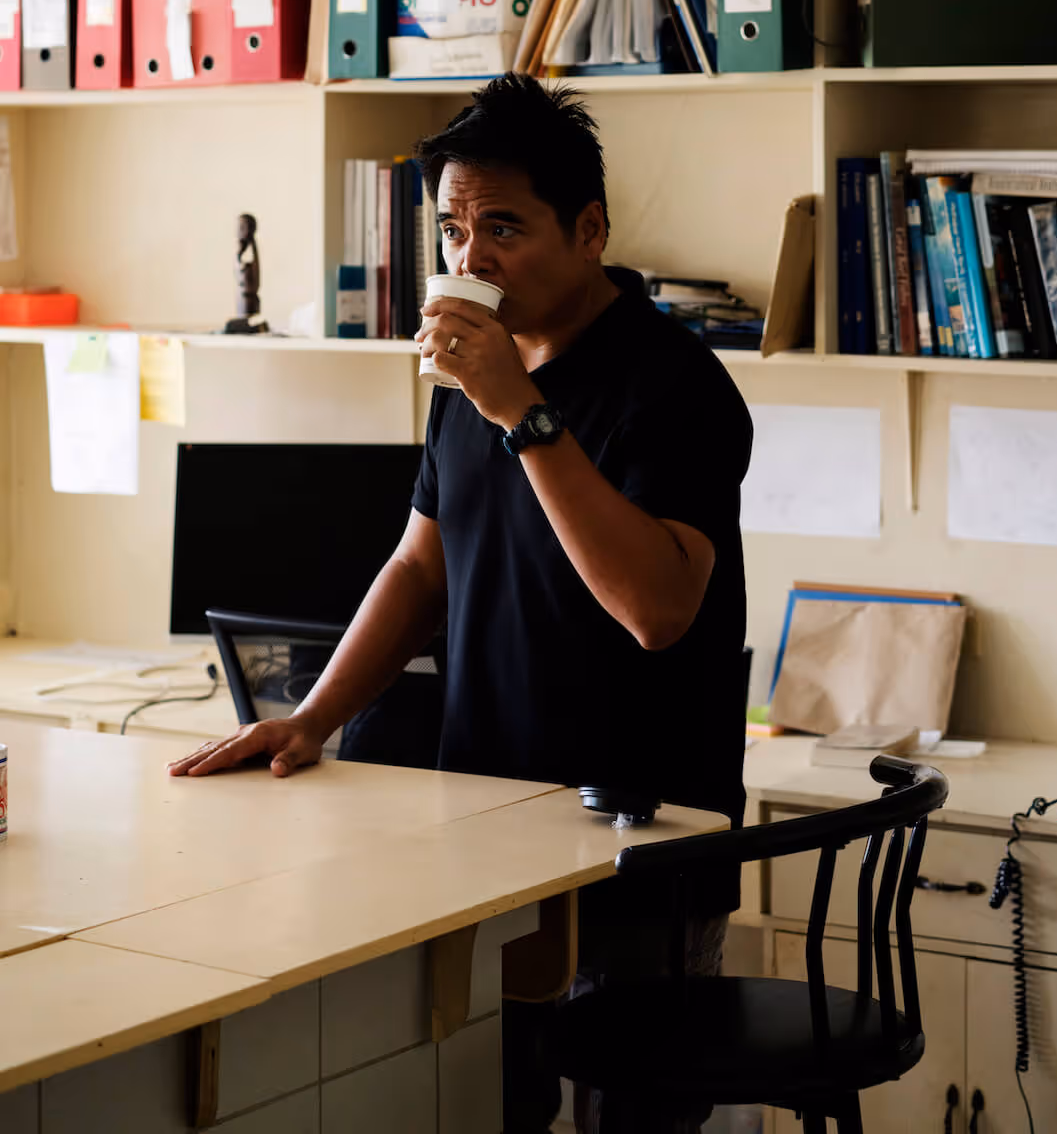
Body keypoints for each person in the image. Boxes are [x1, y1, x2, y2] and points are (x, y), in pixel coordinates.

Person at [169, 73, 752, 1132]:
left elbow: (656, 609)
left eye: (501, 229)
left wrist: (521, 413)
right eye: (449, 228)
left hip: (642, 831)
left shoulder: (672, 383)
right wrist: (309, 718)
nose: (467, 260)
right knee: (487, 1102)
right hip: (486, 826)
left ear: (587, 230)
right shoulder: (472, 376)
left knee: (636, 1119)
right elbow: (418, 572)